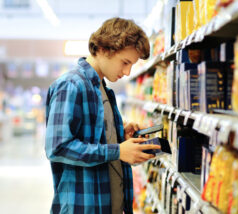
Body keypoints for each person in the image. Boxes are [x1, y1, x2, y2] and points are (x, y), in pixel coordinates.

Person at [45, 17, 161, 214]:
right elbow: (58, 147)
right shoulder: (71, 85)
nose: (127, 72)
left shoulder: (103, 90)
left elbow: (93, 138)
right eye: (125, 62)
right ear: (104, 49)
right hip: (82, 207)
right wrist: (117, 151)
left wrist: (119, 135)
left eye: (131, 65)